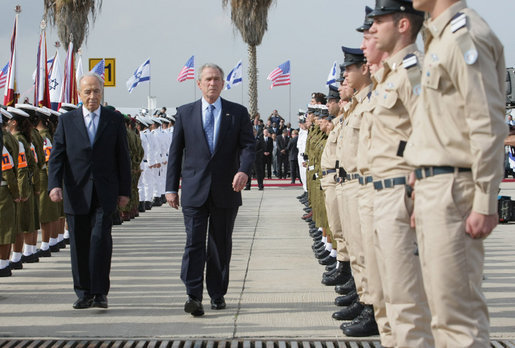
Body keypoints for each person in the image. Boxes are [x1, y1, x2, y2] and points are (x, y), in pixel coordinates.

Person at [405, 0, 507, 345]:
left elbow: (487, 122)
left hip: (455, 188)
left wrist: (485, 200)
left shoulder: (467, 36)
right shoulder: (441, 38)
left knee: (458, 318)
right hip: (437, 185)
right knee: (443, 313)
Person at [165, 63, 255, 317]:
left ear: (223, 83)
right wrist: (171, 188)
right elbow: (175, 152)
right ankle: (193, 295)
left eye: (217, 79)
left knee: (220, 245)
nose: (212, 83)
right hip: (194, 190)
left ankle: (217, 293)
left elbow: (249, 146)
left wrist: (244, 170)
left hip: (227, 189)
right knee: (194, 243)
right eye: (208, 79)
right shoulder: (185, 113)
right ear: (199, 84)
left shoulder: (237, 113)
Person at [48, 72, 131, 310]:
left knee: (100, 240)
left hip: (105, 192)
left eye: (96, 91)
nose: (92, 96)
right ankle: (83, 292)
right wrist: (54, 184)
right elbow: (57, 157)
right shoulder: (67, 121)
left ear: (102, 93)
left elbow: (122, 158)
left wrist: (125, 191)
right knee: (79, 243)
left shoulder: (113, 120)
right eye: (88, 91)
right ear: (79, 94)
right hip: (76, 191)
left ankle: (100, 292)